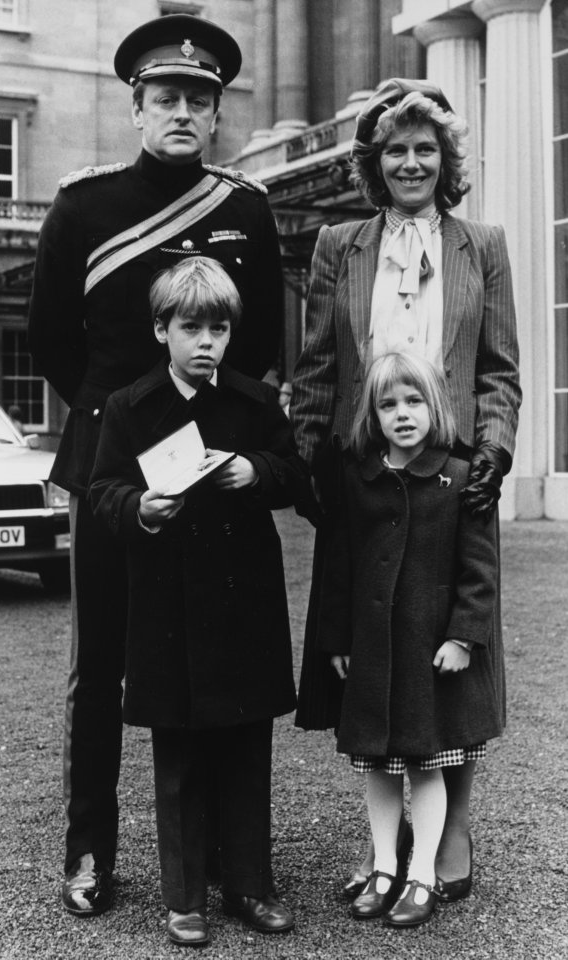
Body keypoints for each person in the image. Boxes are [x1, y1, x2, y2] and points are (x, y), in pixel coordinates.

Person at [27, 14, 285, 916]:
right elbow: (50, 335)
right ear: (136, 107)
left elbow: (260, 350)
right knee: (100, 664)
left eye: (200, 99)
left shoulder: (245, 209)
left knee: (211, 653)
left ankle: (219, 857)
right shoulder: (82, 206)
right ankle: (89, 853)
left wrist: (206, 432)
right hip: (111, 464)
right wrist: (118, 426)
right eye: (166, 97)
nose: (183, 111)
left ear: (216, 114)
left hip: (211, 468)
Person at [291, 78, 521, 902]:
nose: (412, 161)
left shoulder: (482, 245)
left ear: (446, 160)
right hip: (366, 477)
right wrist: (310, 458)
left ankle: (449, 828)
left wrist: (493, 449)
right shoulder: (338, 247)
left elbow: (498, 369)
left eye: (426, 149)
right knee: (377, 652)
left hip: (452, 478)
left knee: (449, 652)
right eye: (396, 149)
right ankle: (387, 851)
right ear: (374, 163)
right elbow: (317, 365)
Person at [88, 256, 307, 946]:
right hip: (168, 608)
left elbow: (293, 472)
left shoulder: (252, 401)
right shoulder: (129, 406)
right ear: (162, 330)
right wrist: (141, 507)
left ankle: (249, 885)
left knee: (246, 748)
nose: (207, 341)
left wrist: (258, 469)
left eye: (219, 327)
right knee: (178, 753)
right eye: (192, 327)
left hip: (243, 603)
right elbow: (102, 491)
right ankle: (185, 898)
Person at [315, 351, 502, 928]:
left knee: (425, 765)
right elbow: (342, 567)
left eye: (414, 401)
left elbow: (480, 571)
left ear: (436, 406)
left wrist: (464, 638)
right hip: (374, 650)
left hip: (429, 654)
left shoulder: (460, 478)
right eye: (388, 403)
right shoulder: (361, 478)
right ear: (372, 414)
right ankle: (384, 869)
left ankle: (422, 874)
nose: (402, 414)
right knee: (377, 765)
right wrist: (338, 639)